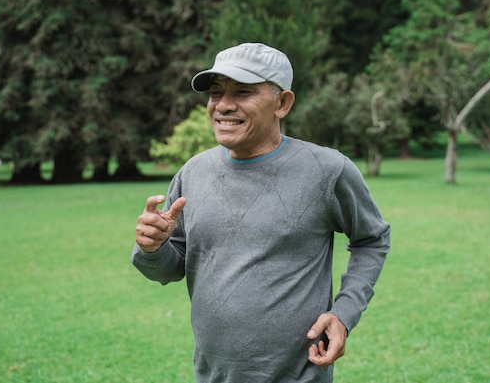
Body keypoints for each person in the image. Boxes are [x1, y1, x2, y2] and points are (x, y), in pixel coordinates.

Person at [131, 42, 391, 383]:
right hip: (212, 376)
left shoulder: (327, 170)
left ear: (282, 103)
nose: (223, 105)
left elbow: (372, 239)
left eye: (243, 92)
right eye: (215, 92)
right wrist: (153, 249)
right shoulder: (193, 173)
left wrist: (343, 313)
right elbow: (171, 267)